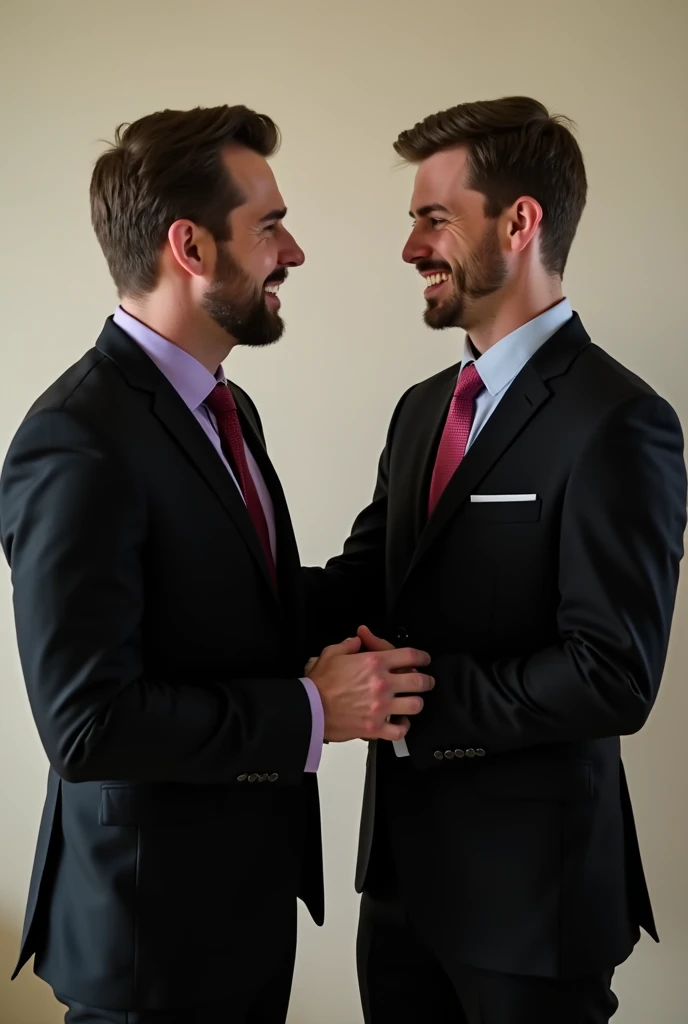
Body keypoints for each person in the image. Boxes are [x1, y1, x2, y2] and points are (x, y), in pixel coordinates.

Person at [0, 104, 434, 1024]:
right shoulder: (75, 442)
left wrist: (428, 497)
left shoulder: (221, 412)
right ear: (190, 247)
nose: (296, 252)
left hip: (234, 917)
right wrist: (316, 710)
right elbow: (87, 725)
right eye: (271, 225)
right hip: (149, 946)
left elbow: (245, 614)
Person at [303, 96, 687, 1023]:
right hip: (395, 891)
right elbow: (364, 585)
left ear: (520, 223)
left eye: (434, 218)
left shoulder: (620, 421)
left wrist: (404, 705)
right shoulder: (421, 407)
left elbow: (613, 675)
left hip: (535, 908)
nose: (410, 249)